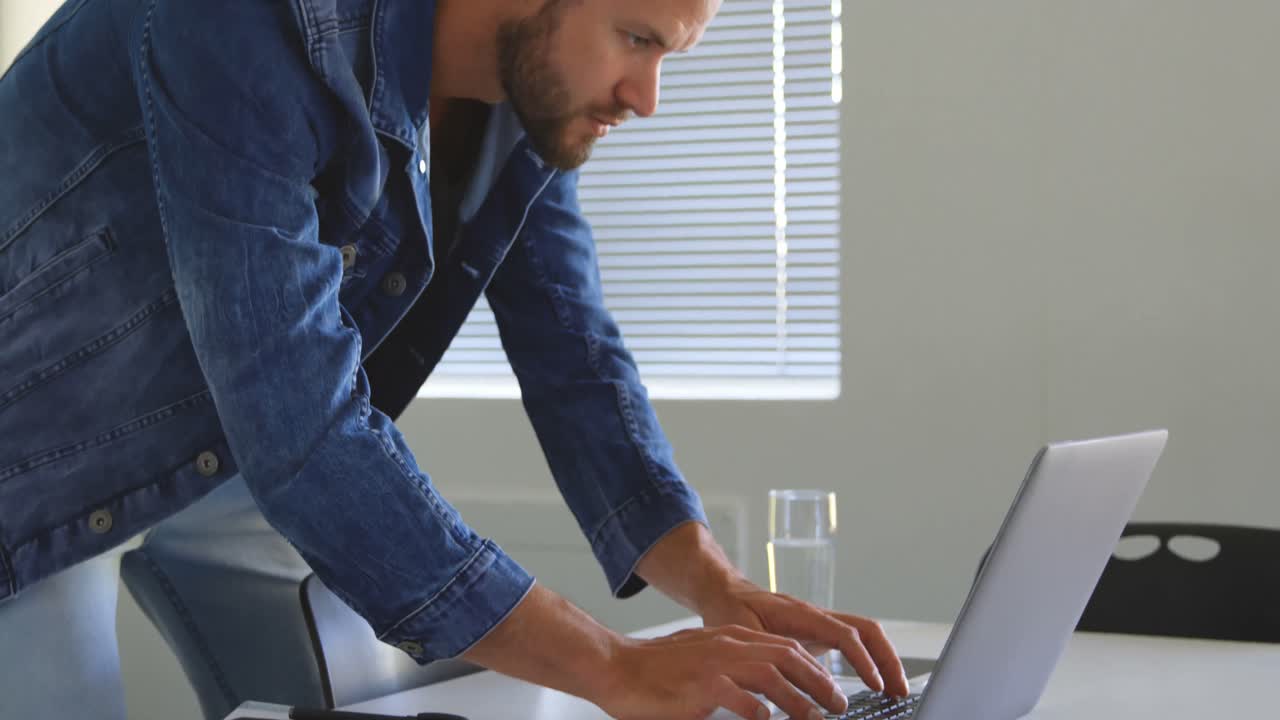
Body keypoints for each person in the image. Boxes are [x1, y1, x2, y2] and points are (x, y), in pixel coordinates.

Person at [0, 0, 910, 718]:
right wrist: (614, 665)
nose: (647, 97)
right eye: (636, 39)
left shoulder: (523, 97)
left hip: (226, 441)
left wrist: (718, 586)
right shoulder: (249, 21)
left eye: (670, 52)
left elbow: (574, 354)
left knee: (358, 699)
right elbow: (301, 422)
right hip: (31, 467)